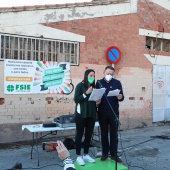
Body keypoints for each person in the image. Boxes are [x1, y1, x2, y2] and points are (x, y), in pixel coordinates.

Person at [96, 66, 124, 163]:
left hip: (113, 112)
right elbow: (96, 96)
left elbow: (122, 97)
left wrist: (120, 97)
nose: (109, 76)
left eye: (111, 74)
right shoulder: (99, 83)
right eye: (108, 74)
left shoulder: (117, 83)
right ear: (104, 73)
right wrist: (96, 102)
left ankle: (114, 155)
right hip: (102, 112)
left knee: (114, 134)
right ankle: (104, 153)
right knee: (103, 133)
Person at [74, 69, 99, 166]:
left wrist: (97, 102)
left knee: (89, 135)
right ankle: (78, 156)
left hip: (91, 114)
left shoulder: (94, 87)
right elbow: (76, 99)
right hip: (81, 114)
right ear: (86, 76)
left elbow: (93, 101)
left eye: (94, 75)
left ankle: (86, 154)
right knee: (79, 135)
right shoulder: (80, 86)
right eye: (91, 75)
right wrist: (86, 93)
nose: (92, 77)